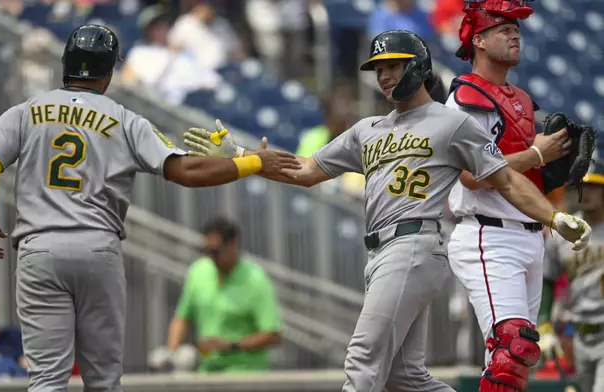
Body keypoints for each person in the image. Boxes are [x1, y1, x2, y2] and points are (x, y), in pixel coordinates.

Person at [182, 29, 592, 392]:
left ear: (418, 65)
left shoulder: (450, 123)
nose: (383, 76)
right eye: (378, 69)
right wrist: (240, 155)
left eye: (392, 66)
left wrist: (552, 216)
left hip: (415, 242)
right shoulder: (367, 129)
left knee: (362, 360)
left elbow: (503, 177)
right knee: (405, 378)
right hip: (380, 253)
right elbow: (307, 170)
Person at [0, 24, 299, 392]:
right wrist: (252, 162)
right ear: (109, 73)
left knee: (46, 380)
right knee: (104, 381)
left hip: (39, 248)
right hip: (97, 246)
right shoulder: (124, 119)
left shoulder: (25, 112)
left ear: (65, 64)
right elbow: (184, 170)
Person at [444, 1, 589, 391]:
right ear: (478, 39)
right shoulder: (465, 97)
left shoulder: (522, 99)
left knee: (516, 359)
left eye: (517, 30)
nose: (514, 35)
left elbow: (518, 174)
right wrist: (538, 153)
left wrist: (549, 173)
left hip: (527, 236)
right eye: (503, 29)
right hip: (487, 235)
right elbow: (472, 174)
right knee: (512, 345)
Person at [166, 216, 281, 373]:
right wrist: (171, 355)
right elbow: (181, 319)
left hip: (247, 377)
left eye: (215, 251)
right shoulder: (198, 272)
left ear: (233, 245)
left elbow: (272, 335)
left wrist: (231, 346)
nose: (211, 257)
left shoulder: (256, 280)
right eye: (207, 251)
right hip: (207, 375)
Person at [541, 158, 604, 392]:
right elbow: (547, 279)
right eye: (581, 185)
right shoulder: (564, 231)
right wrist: (544, 324)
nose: (586, 192)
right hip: (579, 335)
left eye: (594, 186)